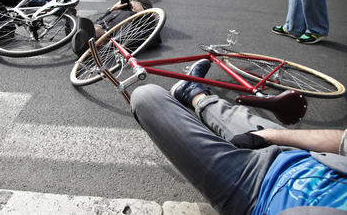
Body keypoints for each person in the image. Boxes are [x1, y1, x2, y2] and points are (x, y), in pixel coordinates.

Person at [130, 59, 347, 215]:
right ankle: (194, 93)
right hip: (305, 155)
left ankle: (195, 95)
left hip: (254, 192)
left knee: (146, 97)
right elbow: (343, 142)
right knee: (235, 115)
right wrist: (270, 135)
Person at [71, 0, 157, 57]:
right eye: (92, 29)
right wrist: (142, 12)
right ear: (101, 42)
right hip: (140, 6)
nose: (93, 25)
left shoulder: (98, 28)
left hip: (122, 6)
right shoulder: (121, 39)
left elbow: (100, 19)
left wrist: (112, 9)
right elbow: (153, 37)